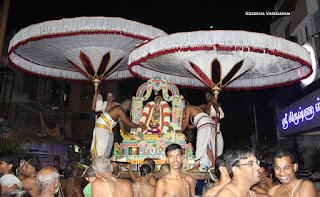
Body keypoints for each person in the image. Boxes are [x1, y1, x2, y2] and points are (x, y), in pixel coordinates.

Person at [180, 105, 223, 170]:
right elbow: (192, 126)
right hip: (209, 124)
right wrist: (187, 127)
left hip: (204, 125)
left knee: (200, 144)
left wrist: (180, 131)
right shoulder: (198, 111)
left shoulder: (187, 107)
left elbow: (186, 121)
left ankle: (196, 165)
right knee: (205, 146)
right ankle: (213, 164)